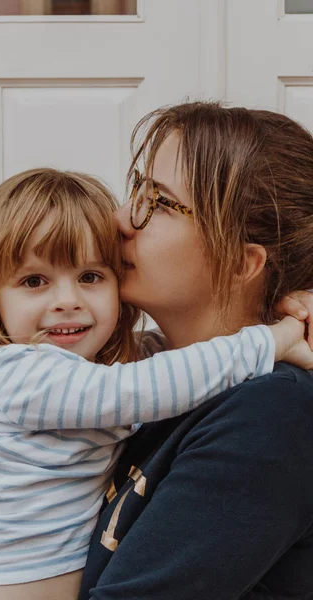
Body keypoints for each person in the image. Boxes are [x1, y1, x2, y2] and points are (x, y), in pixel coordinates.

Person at [0, 168, 303, 600]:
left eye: (90, 277)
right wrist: (276, 339)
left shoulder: (93, 374)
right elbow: (149, 384)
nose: (67, 300)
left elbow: (180, 361)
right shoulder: (18, 375)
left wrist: (281, 307)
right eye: (34, 281)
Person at [78, 102, 313, 599]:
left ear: (241, 263)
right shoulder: (151, 383)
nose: (122, 217)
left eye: (159, 202)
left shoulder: (269, 414)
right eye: (138, 189)